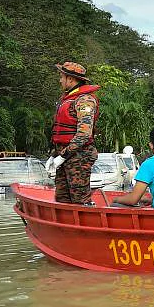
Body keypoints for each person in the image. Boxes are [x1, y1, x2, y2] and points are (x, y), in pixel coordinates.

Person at [48, 61, 101, 205]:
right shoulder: (67, 98)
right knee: (62, 197)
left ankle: (87, 226)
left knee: (80, 199)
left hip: (79, 156)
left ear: (70, 79)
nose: (60, 80)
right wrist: (55, 155)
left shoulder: (85, 100)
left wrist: (63, 155)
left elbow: (84, 134)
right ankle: (65, 227)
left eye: (61, 77)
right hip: (64, 154)